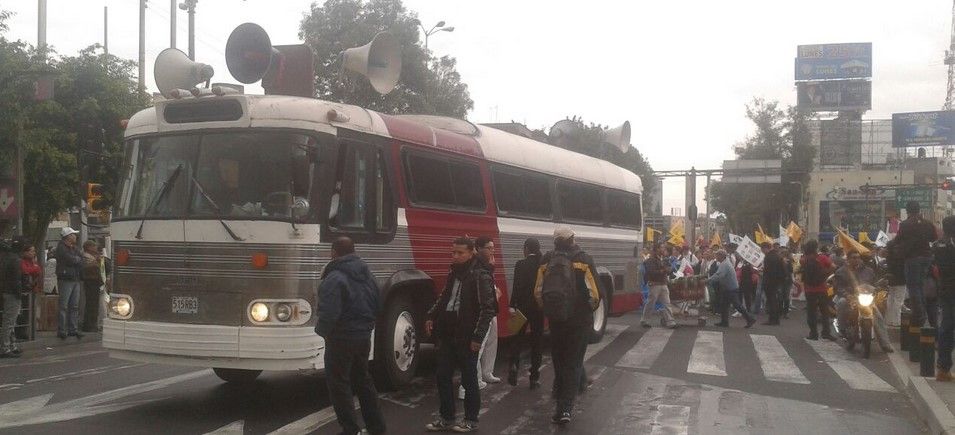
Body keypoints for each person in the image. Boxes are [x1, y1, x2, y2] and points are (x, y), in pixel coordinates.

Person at [315, 237, 386, 435]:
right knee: (363, 380)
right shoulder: (368, 274)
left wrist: (322, 332)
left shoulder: (334, 277)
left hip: (341, 337)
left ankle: (350, 429)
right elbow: (378, 304)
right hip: (363, 335)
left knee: (339, 384)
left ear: (333, 252)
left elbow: (329, 312)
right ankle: (377, 427)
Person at [425, 237, 496, 433]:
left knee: (469, 379)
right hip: (448, 332)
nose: (455, 256)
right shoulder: (454, 272)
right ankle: (446, 417)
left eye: (460, 253)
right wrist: (431, 315)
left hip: (466, 334)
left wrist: (478, 337)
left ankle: (471, 419)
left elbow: (487, 309)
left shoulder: (480, 275)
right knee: (442, 375)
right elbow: (444, 297)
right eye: (453, 252)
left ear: (471, 252)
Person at [534, 227, 600, 425]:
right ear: (572, 239)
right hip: (579, 321)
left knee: (560, 360)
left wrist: (550, 311)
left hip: (556, 320)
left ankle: (569, 388)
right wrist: (586, 310)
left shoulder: (546, 260)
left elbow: (538, 292)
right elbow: (595, 295)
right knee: (573, 362)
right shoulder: (584, 259)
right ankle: (564, 409)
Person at [458, 236, 502, 400]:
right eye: (489, 248)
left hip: (490, 308)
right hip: (482, 312)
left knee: (491, 341)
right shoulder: (476, 265)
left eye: (493, 248)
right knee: (479, 346)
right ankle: (468, 384)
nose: (492, 251)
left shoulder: (486, 263)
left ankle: (487, 372)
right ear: (479, 249)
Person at [895, 201, 938, 328]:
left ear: (907, 210)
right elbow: (933, 238)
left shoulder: (905, 224)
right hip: (927, 257)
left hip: (912, 258)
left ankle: (919, 313)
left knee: (913, 286)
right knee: (920, 285)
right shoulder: (927, 223)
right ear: (919, 210)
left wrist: (891, 246)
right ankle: (922, 311)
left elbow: (898, 239)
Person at [507, 238, 543, 389]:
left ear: (527, 249)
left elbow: (516, 286)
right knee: (537, 342)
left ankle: (513, 365)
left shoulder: (520, 264)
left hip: (520, 308)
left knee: (515, 338)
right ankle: (534, 378)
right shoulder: (542, 265)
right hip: (538, 309)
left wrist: (511, 305)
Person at [708, 250, 756, 328]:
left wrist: (709, 280)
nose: (716, 257)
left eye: (717, 255)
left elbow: (719, 275)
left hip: (731, 288)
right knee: (724, 305)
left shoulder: (725, 264)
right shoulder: (724, 263)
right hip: (728, 287)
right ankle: (724, 322)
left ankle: (750, 319)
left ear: (721, 256)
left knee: (737, 305)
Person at [933, 216, 955, 381]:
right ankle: (943, 368)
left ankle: (943, 368)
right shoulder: (948, 246)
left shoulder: (938, 245)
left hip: (945, 290)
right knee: (947, 328)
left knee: (946, 327)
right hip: (950, 290)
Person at [833, 250, 875, 335]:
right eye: (854, 258)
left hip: (865, 297)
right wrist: (847, 295)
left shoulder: (869, 271)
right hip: (848, 296)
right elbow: (838, 287)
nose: (857, 260)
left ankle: (884, 341)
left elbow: (873, 283)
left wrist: (877, 287)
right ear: (848, 259)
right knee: (842, 303)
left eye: (858, 257)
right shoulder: (841, 271)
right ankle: (842, 329)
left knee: (878, 313)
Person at [800, 240, 835, 340]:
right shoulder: (822, 257)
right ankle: (826, 333)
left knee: (811, 312)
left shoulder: (803, 259)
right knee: (825, 312)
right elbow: (833, 267)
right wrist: (825, 274)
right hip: (822, 289)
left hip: (809, 289)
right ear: (816, 247)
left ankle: (813, 333)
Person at [55, 227, 84, 340]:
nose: (75, 236)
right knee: (64, 306)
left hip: (75, 278)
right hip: (65, 278)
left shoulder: (73, 248)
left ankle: (73, 329)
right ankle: (62, 330)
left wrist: (77, 259)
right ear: (68, 237)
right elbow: (72, 259)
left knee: (74, 306)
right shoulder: (61, 248)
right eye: (73, 235)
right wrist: (77, 259)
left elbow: (80, 258)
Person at [641, 242, 676, 328]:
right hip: (654, 284)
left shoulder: (664, 259)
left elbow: (669, 269)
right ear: (657, 249)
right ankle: (645, 320)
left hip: (663, 284)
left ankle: (670, 322)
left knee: (667, 303)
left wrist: (669, 270)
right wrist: (663, 271)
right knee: (650, 303)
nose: (664, 249)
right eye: (662, 247)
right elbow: (651, 272)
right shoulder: (650, 260)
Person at [0, 239, 23, 358]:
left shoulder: (6, 258)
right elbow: (16, 279)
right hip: (12, 293)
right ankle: (5, 347)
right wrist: (19, 293)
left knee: (10, 321)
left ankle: (11, 345)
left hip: (6, 291)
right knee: (9, 321)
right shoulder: (15, 260)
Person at [81, 240, 104, 333]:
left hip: (95, 281)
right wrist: (96, 262)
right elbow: (88, 267)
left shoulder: (95, 256)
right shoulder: (85, 256)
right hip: (90, 281)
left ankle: (93, 324)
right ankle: (89, 325)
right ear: (89, 247)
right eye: (94, 246)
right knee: (91, 304)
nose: (96, 248)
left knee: (95, 304)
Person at [761, 242, 786, 325]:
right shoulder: (777, 256)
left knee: (771, 301)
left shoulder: (769, 257)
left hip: (770, 281)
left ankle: (772, 319)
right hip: (776, 281)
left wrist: (762, 273)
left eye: (762, 249)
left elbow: (768, 271)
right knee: (774, 300)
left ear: (765, 248)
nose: (762, 251)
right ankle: (776, 319)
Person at [885, 238, 907, 327]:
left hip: (892, 279)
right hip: (901, 280)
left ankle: (889, 320)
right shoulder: (902, 257)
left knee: (891, 299)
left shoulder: (889, 257)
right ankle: (896, 321)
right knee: (898, 301)